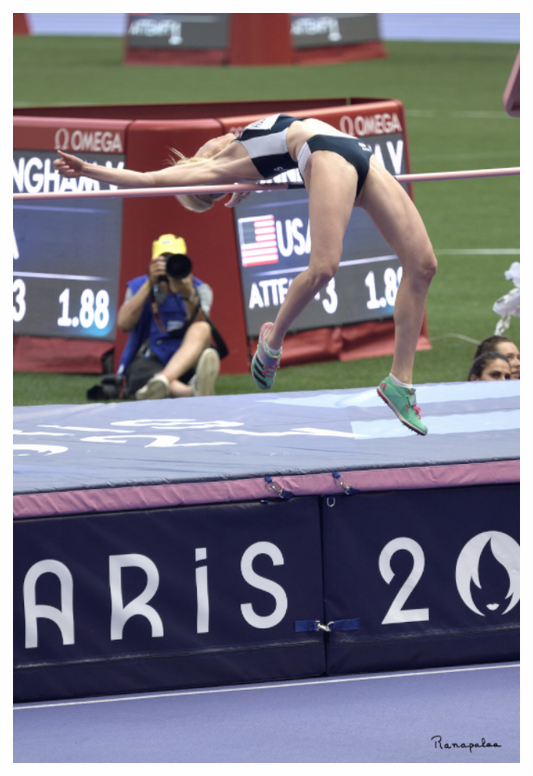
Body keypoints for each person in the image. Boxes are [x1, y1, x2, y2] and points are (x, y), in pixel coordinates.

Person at [54, 113, 438, 434]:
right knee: (323, 267)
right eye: (211, 194)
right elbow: (148, 180)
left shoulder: (234, 143)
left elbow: (235, 145)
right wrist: (87, 169)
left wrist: (249, 181)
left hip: (358, 153)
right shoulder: (213, 167)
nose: (217, 191)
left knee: (423, 265)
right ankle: (272, 342)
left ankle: (399, 383)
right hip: (327, 153)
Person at [116, 234, 220, 400]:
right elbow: (123, 324)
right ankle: (191, 391)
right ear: (152, 263)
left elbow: (200, 328)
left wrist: (188, 294)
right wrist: (149, 284)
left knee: (203, 327)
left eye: (173, 260)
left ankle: (161, 382)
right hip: (152, 358)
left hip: (187, 357)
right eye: (163, 261)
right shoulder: (138, 286)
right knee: (143, 373)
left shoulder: (200, 289)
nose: (168, 266)